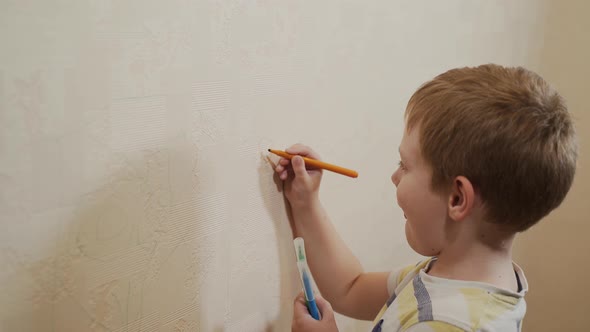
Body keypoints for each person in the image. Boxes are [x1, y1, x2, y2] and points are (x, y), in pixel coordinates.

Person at [274, 64, 578, 331]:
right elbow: (350, 289)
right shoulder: (449, 276)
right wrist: (306, 203)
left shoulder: (448, 324)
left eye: (404, 165)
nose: (395, 177)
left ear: (458, 198)